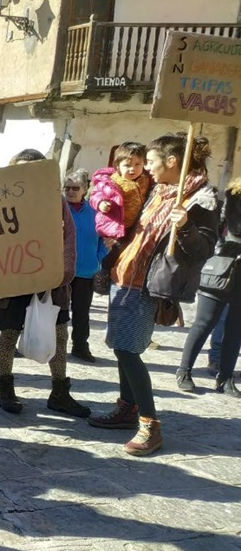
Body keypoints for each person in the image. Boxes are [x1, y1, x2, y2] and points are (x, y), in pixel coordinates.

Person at [88, 134, 218, 456]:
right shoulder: (156, 189)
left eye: (152, 161)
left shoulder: (201, 199)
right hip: (124, 277)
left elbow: (204, 248)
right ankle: (127, 408)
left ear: (171, 162)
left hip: (148, 285)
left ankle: (150, 423)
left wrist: (186, 225)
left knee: (130, 351)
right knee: (120, 347)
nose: (146, 167)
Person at [0, 150, 89, 418]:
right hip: (14, 283)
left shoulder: (55, 202)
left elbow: (69, 238)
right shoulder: (2, 200)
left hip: (50, 284)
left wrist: (63, 274)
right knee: (7, 337)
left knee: (59, 338)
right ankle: (5, 389)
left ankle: (59, 392)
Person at [176, 177, 241, 396]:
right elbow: (236, 228)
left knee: (235, 330)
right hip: (222, 266)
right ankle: (184, 372)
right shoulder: (234, 196)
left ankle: (225, 377)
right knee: (204, 323)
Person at [65, 168, 108, 363]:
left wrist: (98, 258)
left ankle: (80, 347)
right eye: (67, 188)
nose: (70, 192)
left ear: (85, 189)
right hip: (62, 271)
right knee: (56, 312)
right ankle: (50, 346)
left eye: (75, 188)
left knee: (82, 313)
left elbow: (103, 240)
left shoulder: (95, 214)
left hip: (86, 272)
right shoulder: (57, 209)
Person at [91, 142, 151, 243]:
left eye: (137, 164)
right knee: (116, 252)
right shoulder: (111, 182)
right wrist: (101, 203)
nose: (133, 169)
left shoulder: (145, 179)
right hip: (117, 227)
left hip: (137, 224)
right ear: (117, 166)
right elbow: (95, 195)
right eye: (127, 165)